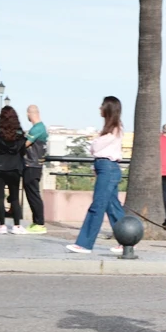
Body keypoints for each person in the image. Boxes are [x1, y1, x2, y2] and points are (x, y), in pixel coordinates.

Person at [66, 96, 125, 255]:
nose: (100, 108)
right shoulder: (111, 128)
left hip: (108, 168)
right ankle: (126, 241)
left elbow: (96, 147)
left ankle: (84, 244)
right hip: (105, 168)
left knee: (98, 205)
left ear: (108, 108)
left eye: (102, 106)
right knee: (113, 207)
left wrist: (94, 143)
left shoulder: (115, 128)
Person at [0, 106, 26, 234]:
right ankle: (16, 225)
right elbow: (23, 151)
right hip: (14, 167)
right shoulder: (20, 134)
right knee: (15, 197)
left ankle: (2, 225)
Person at [23, 105, 48, 234]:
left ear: (29, 113)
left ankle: (40, 223)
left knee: (34, 195)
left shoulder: (37, 128)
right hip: (35, 165)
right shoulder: (40, 128)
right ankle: (36, 222)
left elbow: (25, 144)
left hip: (32, 165)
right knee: (32, 194)